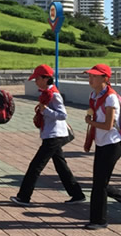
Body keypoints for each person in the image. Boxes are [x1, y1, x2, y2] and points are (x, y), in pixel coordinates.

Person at [11, 64, 85, 206]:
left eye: (37, 79)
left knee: (35, 166)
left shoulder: (54, 94)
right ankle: (77, 194)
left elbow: (63, 115)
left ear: (45, 79)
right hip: (51, 134)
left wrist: (45, 111)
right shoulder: (46, 93)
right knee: (61, 166)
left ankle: (24, 196)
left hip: (54, 135)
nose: (35, 82)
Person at [83, 64, 121, 230]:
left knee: (99, 184)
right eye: (90, 75)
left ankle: (99, 220)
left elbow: (108, 125)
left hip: (112, 144)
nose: (90, 78)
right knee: (100, 183)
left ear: (105, 78)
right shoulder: (94, 95)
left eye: (94, 76)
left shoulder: (110, 97)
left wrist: (90, 122)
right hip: (102, 144)